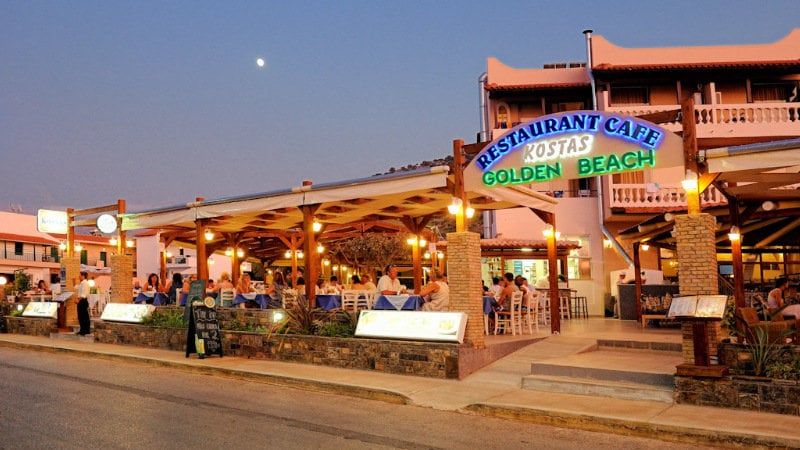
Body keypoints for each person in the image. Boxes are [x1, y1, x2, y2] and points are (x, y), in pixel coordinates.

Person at [76, 271, 91, 335]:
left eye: (80, 275)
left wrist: (78, 300)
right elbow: (77, 288)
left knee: (83, 316)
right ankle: (82, 329)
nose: (79, 277)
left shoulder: (85, 283)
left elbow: (83, 294)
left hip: (83, 301)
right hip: (81, 300)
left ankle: (85, 330)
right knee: (81, 316)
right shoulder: (82, 283)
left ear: (83, 276)